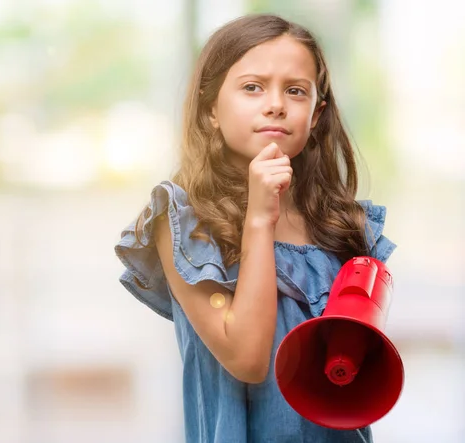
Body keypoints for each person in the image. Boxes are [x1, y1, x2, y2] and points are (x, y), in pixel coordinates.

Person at [114, 13, 396, 443]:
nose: (275, 103)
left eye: (296, 91)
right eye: (252, 87)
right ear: (211, 108)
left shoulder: (342, 224)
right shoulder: (183, 223)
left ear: (316, 114)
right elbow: (247, 359)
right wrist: (260, 218)